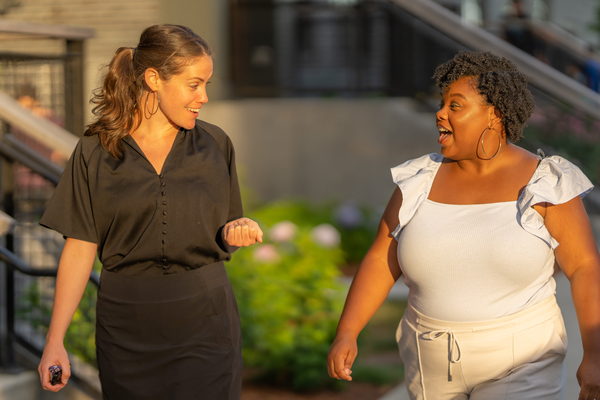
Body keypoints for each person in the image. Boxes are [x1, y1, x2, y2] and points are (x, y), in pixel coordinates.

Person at [327, 51, 600, 400]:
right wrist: (347, 331)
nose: (440, 113)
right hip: (430, 361)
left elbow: (585, 267)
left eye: (455, 105)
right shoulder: (417, 181)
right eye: (442, 103)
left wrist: (594, 353)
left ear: (495, 114)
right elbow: (383, 257)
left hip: (522, 361)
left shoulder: (545, 183)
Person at [37, 24, 263, 400]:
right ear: (154, 79)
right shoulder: (96, 151)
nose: (204, 97)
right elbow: (79, 247)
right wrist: (54, 341)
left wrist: (237, 229)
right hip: (125, 331)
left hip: (204, 324)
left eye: (206, 84)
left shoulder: (215, 144)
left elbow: (223, 228)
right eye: (194, 84)